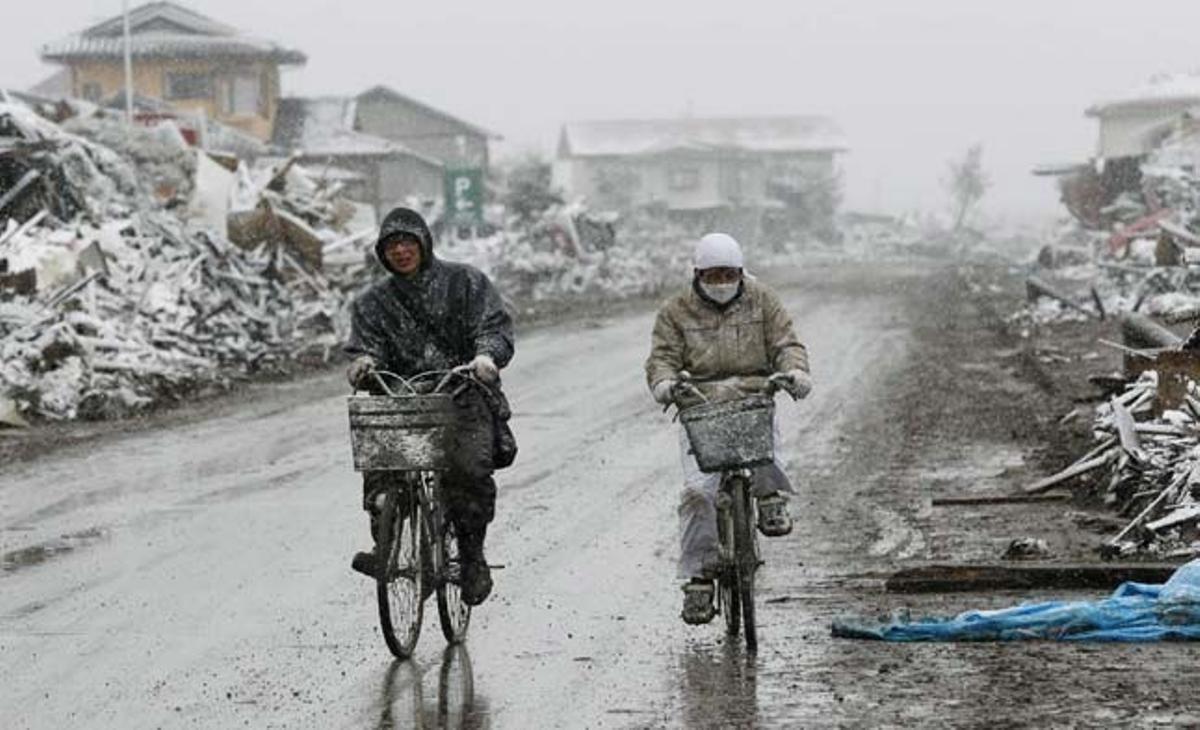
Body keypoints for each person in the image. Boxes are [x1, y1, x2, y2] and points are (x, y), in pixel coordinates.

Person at [345, 207, 515, 606]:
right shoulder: (373, 303)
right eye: (392, 246)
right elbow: (364, 346)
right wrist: (364, 363)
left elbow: (493, 327)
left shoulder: (465, 282)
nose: (401, 251)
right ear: (382, 253)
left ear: (424, 243)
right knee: (383, 471)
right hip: (402, 397)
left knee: (468, 478)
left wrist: (486, 357)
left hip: (460, 392)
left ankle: (472, 559)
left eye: (407, 242)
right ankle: (386, 540)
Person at [644, 232, 812, 625]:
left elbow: (786, 342)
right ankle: (699, 579)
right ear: (697, 274)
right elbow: (662, 358)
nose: (721, 283)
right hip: (699, 404)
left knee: (763, 445)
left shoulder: (763, 300)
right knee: (697, 494)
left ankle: (770, 496)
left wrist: (795, 372)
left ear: (741, 273)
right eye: (712, 275)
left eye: (729, 274)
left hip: (752, 395)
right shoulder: (675, 311)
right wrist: (664, 384)